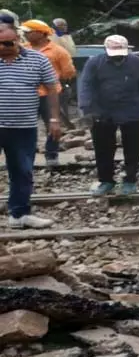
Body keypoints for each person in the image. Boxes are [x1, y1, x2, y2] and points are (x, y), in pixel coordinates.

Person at [0, 26, 60, 228]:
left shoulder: (38, 59)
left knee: (22, 171)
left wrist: (54, 119)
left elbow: (52, 88)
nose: (3, 47)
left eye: (7, 43)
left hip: (23, 127)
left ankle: (19, 214)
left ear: (18, 39)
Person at [78, 35, 139, 196]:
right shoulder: (94, 63)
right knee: (103, 148)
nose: (117, 57)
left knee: (132, 147)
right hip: (102, 111)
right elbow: (86, 85)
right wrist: (88, 109)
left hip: (130, 109)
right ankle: (106, 180)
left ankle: (130, 180)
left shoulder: (137, 63)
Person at [22, 20, 75, 164]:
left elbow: (68, 72)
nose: (25, 34)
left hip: (50, 94)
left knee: (53, 124)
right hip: (26, 93)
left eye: (28, 32)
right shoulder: (22, 49)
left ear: (40, 33)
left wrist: (54, 80)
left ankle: (52, 154)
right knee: (25, 124)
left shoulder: (58, 51)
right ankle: (27, 153)